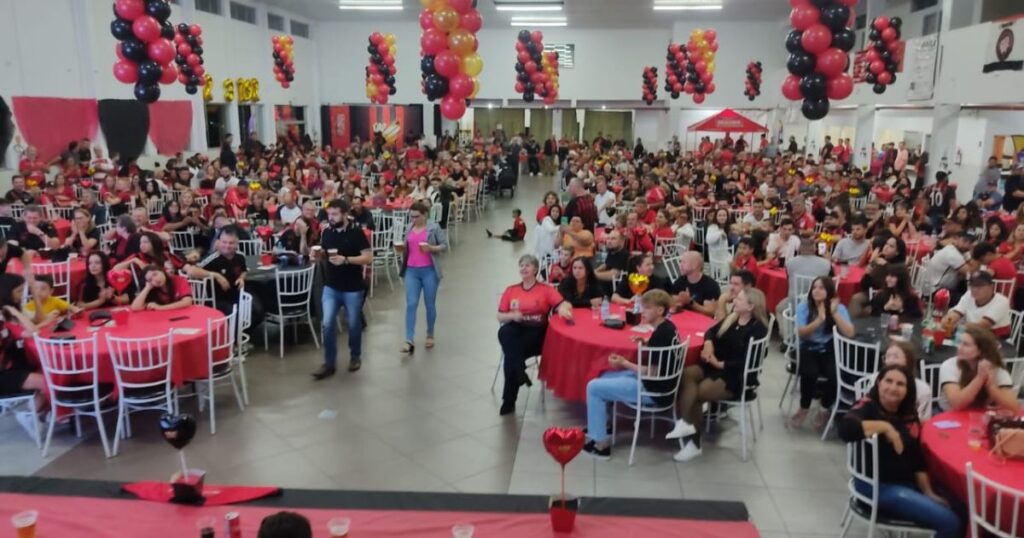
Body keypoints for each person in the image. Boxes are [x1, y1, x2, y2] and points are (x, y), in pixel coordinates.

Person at [838, 365, 962, 538]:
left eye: (900, 384)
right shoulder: (868, 405)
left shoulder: (908, 412)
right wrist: (885, 427)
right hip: (877, 486)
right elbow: (845, 428)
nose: (893, 387)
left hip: (906, 482)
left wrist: (928, 492)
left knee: (964, 507)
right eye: (888, 381)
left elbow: (916, 457)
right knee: (950, 522)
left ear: (907, 390)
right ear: (879, 382)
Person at [668, 288, 770, 462]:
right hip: (713, 364)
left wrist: (719, 363)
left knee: (698, 394)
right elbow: (711, 331)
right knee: (686, 374)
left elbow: (750, 361)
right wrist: (708, 345)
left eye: (739, 299)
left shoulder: (757, 329)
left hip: (734, 374)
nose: (734, 300)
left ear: (751, 306)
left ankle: (694, 443)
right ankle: (686, 423)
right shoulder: (733, 317)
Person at [582, 289, 678, 460]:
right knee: (604, 376)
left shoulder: (660, 335)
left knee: (593, 387)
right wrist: (646, 342)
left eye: (647, 308)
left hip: (652, 390)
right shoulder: (668, 328)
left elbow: (652, 372)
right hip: (663, 385)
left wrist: (624, 363)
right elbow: (661, 353)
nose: (643, 312)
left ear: (660, 310)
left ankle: (600, 445)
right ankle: (603, 424)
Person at [497, 254, 573, 416]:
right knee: (504, 332)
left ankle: (509, 400)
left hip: (537, 332)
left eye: (528, 265)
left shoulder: (545, 289)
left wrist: (564, 309)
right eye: (521, 265)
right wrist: (512, 316)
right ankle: (520, 371)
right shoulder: (511, 290)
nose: (523, 268)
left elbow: (562, 303)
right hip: (516, 328)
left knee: (511, 355)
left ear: (536, 269)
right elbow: (500, 316)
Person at [312, 200, 372, 379]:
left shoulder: (356, 232)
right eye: (329, 214)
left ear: (345, 214)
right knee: (327, 324)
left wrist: (346, 259)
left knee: (354, 324)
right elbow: (324, 253)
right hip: (331, 286)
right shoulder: (327, 232)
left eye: (335, 214)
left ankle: (355, 356)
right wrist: (317, 256)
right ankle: (329, 363)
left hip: (352, 288)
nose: (331, 218)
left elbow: (368, 257)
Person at [791, 277, 855, 429]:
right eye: (814, 287)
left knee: (836, 375)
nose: (817, 290)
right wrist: (819, 319)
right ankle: (804, 407)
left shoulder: (839, 308)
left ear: (830, 292)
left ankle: (825, 407)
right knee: (809, 373)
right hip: (807, 347)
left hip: (828, 348)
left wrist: (834, 314)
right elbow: (801, 333)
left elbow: (850, 333)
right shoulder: (804, 306)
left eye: (821, 288)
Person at [399, 202, 448, 354]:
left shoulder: (434, 228)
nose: (413, 219)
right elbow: (407, 247)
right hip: (411, 271)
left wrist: (431, 248)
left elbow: (444, 245)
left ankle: (430, 333)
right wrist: (401, 249)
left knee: (429, 304)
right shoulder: (409, 228)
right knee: (411, 304)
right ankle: (408, 338)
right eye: (411, 216)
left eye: (416, 216)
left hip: (429, 271)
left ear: (425, 215)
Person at [938, 324, 1019, 412]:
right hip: (950, 414)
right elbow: (957, 404)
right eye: (959, 342)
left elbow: (1014, 407)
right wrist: (980, 378)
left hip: (981, 416)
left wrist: (992, 386)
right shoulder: (950, 365)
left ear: (981, 350)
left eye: (966, 345)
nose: (959, 348)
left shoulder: (996, 369)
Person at [0, 274, 46, 412]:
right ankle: (30, 414)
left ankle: (40, 412)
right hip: (4, 374)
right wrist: (14, 311)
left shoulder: (8, 314)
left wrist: (14, 311)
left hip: (16, 365)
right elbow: (32, 331)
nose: (22, 295)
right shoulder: (3, 318)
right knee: (49, 382)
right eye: (19, 291)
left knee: (53, 374)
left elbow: (33, 326)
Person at [868, 342, 933, 419]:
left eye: (896, 357)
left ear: (908, 360)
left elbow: (924, 419)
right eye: (887, 356)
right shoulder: (875, 380)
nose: (890, 361)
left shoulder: (923, 389)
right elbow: (867, 409)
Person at [941, 271, 1011, 338]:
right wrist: (948, 321)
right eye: (972, 285)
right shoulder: (969, 295)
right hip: (973, 336)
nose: (975, 289)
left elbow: (982, 325)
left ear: (991, 286)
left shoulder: (1001, 301)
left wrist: (956, 327)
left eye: (980, 286)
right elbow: (955, 314)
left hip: (997, 340)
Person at [672, 251, 720, 316]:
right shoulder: (680, 281)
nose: (680, 265)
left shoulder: (710, 285)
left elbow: (710, 312)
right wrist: (679, 302)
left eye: (684, 262)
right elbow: (672, 302)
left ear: (695, 265)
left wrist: (690, 302)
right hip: (683, 318)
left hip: (702, 322)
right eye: (680, 261)